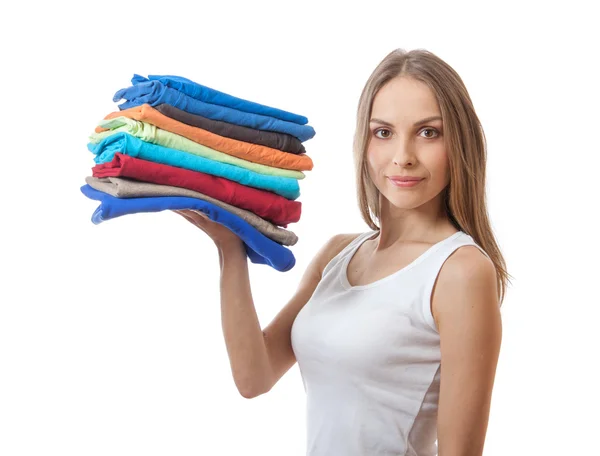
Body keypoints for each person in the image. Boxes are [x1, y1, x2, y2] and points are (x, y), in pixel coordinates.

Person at [173, 48, 511, 456]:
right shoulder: (339, 253)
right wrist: (229, 248)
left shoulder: (460, 270)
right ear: (364, 143)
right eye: (383, 132)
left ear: (459, 142)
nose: (402, 156)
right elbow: (254, 376)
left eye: (428, 132)